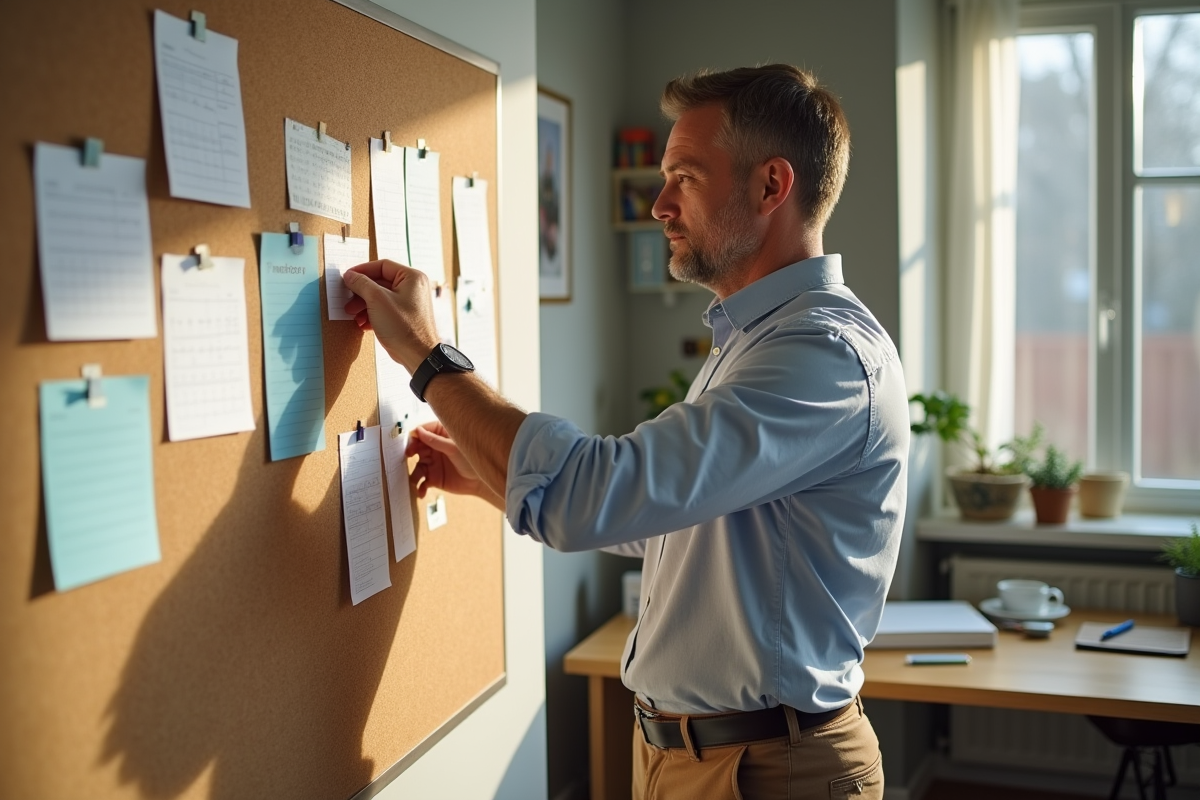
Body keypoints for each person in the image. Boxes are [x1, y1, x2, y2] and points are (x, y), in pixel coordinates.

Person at [342, 64, 908, 800]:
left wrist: (427, 356)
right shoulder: (755, 340)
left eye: (686, 177)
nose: (660, 204)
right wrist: (489, 475)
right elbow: (675, 527)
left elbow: (596, 494)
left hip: (769, 772)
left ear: (772, 186)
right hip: (700, 759)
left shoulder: (822, 357)